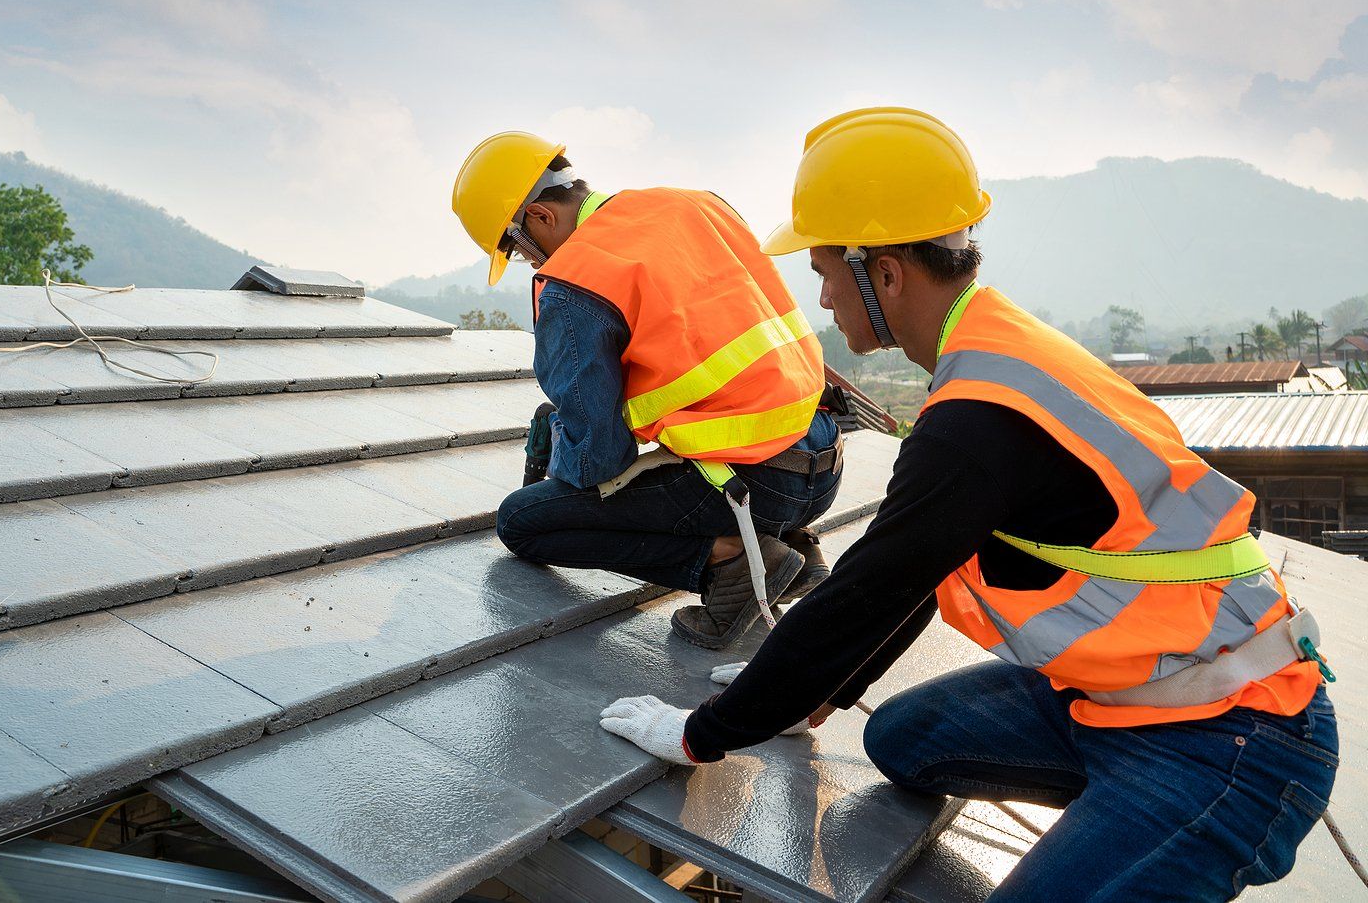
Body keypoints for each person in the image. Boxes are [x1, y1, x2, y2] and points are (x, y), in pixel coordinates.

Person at [598, 108, 1337, 900]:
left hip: (1232, 739)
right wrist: (818, 693)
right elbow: (919, 568)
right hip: (1114, 701)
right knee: (899, 738)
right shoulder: (993, 345)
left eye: (823, 271)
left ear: (884, 273)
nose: (820, 298)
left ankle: (1153, 840)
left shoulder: (978, 417)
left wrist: (701, 733)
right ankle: (1122, 831)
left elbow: (867, 587)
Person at [450, 131, 845, 648]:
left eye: (516, 246)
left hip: (752, 488)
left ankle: (733, 565)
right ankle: (798, 547)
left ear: (541, 217)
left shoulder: (572, 282)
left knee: (523, 522)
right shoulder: (697, 205)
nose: (529, 261)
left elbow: (601, 460)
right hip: (823, 460)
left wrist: (559, 454)